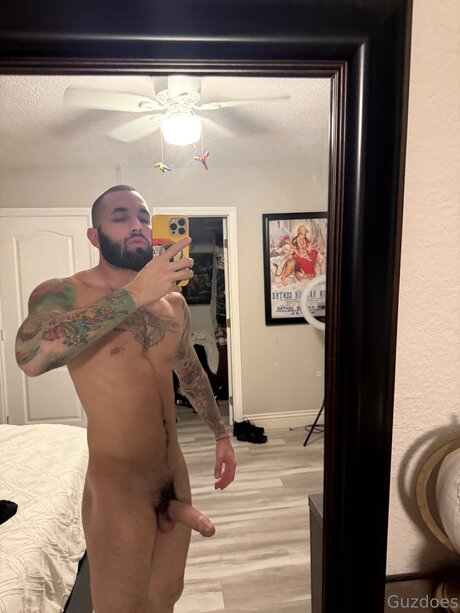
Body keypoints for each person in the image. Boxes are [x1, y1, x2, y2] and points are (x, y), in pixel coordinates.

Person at [15, 185, 237, 613]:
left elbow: (190, 372)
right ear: (94, 236)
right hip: (118, 488)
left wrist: (221, 434)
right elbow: (31, 355)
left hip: (175, 474)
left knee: (165, 597)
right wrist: (136, 292)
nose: (136, 225)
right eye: (120, 217)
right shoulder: (64, 292)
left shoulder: (173, 303)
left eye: (143, 216)